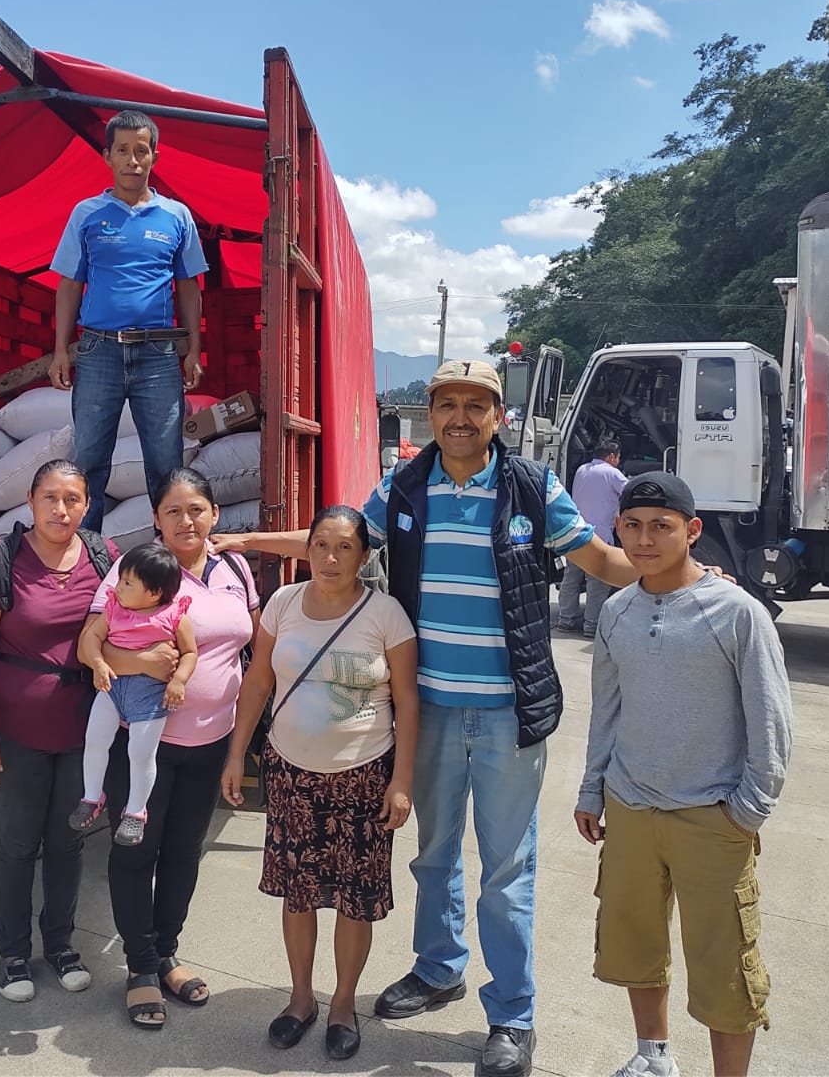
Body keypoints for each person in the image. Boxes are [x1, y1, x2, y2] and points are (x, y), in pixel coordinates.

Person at [215, 358, 654, 1077]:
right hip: (431, 712)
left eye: (473, 405)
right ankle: (438, 967)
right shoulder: (406, 487)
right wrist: (247, 543)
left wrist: (672, 570)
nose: (458, 417)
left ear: (496, 416)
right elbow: (337, 543)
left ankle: (512, 1015)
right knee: (432, 856)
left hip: (511, 714)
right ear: (432, 412)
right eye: (445, 403)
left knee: (507, 872)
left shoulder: (531, 487)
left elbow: (600, 558)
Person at [575, 472, 792, 1077]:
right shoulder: (617, 612)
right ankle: (654, 1057)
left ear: (692, 531)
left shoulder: (737, 612)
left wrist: (746, 810)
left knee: (725, 965)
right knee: (634, 943)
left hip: (711, 816)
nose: (645, 540)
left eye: (661, 527)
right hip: (632, 809)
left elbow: (771, 719)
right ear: (616, 529)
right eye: (633, 526)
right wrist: (594, 788)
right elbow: (607, 709)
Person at [221, 506, 419, 1061]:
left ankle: (343, 1004)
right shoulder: (283, 604)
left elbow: (407, 701)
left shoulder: (386, 614)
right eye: (321, 546)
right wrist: (238, 753)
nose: (331, 559)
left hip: (363, 775)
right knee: (298, 893)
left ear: (364, 555)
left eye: (345, 548)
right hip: (290, 773)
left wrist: (401, 780)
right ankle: (301, 999)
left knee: (355, 900)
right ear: (305, 550)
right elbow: (258, 680)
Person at [89, 467, 258, 1029]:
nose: (186, 520)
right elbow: (92, 645)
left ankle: (165, 954)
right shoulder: (133, 569)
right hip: (144, 741)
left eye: (197, 509)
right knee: (137, 851)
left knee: (184, 853)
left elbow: (254, 644)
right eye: (172, 511)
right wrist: (144, 663)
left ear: (213, 513)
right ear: (157, 521)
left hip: (210, 742)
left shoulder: (234, 568)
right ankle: (139, 968)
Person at [0, 458, 118, 1003]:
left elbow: (130, 625)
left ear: (87, 503)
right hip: (16, 731)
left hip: (82, 732)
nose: (61, 509)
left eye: (72, 498)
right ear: (30, 502)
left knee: (69, 841)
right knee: (16, 845)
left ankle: (61, 946)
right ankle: (12, 955)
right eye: (50, 497)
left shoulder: (104, 557)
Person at [47, 109, 208, 530]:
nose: (132, 160)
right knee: (89, 462)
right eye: (123, 151)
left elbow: (190, 286)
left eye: (141, 150)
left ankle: (167, 559)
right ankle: (86, 560)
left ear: (155, 156)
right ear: (107, 156)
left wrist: (193, 350)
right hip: (98, 351)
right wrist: (61, 350)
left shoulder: (177, 216)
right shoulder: (86, 214)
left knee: (165, 463)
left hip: (158, 355)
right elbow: (69, 285)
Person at [74, 543, 198, 846]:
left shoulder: (174, 617)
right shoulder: (113, 609)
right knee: (95, 741)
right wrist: (99, 663)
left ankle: (136, 812)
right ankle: (91, 797)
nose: (118, 587)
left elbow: (190, 653)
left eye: (128, 582)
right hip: (112, 688)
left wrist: (178, 681)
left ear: (154, 593)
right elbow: (91, 637)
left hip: (150, 697)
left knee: (140, 754)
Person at [558, 438, 628, 638]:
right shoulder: (611, 472)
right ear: (612, 456)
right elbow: (630, 490)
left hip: (575, 532)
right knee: (597, 581)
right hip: (599, 536)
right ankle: (591, 625)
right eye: (618, 457)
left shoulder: (581, 470)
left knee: (571, 578)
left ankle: (566, 619)